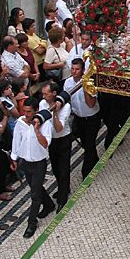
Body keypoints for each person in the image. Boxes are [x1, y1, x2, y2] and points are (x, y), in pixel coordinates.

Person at [10, 97, 54, 238]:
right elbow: (16, 141)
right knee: (36, 187)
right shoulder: (20, 123)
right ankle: (48, 204)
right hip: (25, 162)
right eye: (25, 111)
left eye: (29, 112)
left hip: (39, 163)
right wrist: (14, 158)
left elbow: (45, 143)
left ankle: (31, 223)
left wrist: (36, 130)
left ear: (36, 111)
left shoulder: (45, 124)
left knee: (35, 194)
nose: (27, 114)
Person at [64, 58, 100, 179]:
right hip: (78, 118)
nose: (74, 72)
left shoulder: (90, 83)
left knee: (89, 145)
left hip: (92, 118)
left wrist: (85, 87)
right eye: (72, 69)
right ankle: (95, 160)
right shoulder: (68, 83)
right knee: (86, 143)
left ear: (83, 70)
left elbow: (91, 104)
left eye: (77, 69)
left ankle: (86, 173)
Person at [39, 82, 72, 213]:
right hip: (51, 140)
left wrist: (54, 112)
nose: (43, 96)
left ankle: (62, 199)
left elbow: (59, 128)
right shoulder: (42, 104)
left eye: (46, 94)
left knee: (64, 169)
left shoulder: (66, 107)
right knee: (56, 168)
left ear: (53, 93)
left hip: (63, 139)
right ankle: (63, 188)